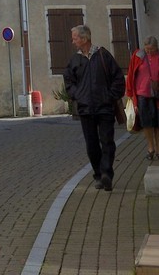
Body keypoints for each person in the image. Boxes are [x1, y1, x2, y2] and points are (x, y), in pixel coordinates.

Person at [63, 23, 125, 190]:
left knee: (107, 142)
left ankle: (106, 174)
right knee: (91, 144)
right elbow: (69, 82)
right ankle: (98, 175)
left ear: (84, 39)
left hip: (105, 108)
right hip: (85, 109)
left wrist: (109, 96)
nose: (73, 41)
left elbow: (118, 78)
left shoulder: (103, 55)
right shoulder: (75, 60)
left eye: (75, 38)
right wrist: (78, 95)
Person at [126, 36, 159, 162]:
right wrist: (129, 92)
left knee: (158, 124)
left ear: (156, 47)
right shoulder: (137, 56)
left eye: (151, 49)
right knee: (147, 124)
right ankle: (150, 148)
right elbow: (131, 74)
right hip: (142, 95)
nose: (149, 51)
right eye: (147, 49)